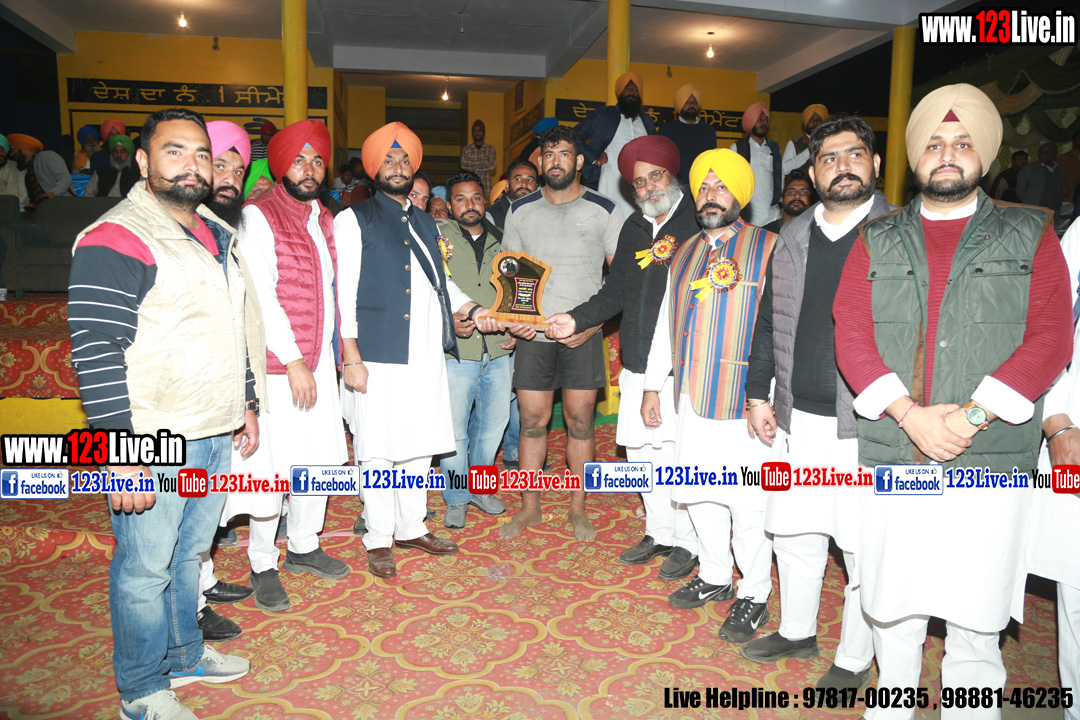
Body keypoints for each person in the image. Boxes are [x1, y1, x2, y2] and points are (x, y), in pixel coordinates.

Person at [833, 83, 1072, 720]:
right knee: (893, 608)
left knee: (976, 616)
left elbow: (1051, 338)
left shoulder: (1031, 232)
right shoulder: (876, 237)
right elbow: (851, 334)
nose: (947, 154)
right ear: (915, 157)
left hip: (990, 458)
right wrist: (910, 416)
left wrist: (970, 417)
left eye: (962, 143)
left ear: (984, 156)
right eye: (934, 143)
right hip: (896, 452)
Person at [67, 107, 254, 720]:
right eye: (175, 151)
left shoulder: (215, 232)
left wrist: (246, 402)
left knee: (188, 555)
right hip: (151, 439)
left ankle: (184, 655)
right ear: (144, 161)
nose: (192, 165)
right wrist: (118, 457)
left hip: (211, 429)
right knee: (145, 569)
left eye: (202, 154)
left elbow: (230, 327)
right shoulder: (117, 236)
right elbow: (96, 350)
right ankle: (143, 689)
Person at [743, 115, 891, 690]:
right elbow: (768, 319)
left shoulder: (899, 232)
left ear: (875, 164)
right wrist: (758, 395)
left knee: (861, 547)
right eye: (829, 158)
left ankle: (854, 659)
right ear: (813, 170)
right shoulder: (793, 235)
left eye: (854, 154)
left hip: (869, 425)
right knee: (793, 531)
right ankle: (797, 630)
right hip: (794, 417)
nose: (842, 167)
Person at [337, 122, 488, 578]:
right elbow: (343, 292)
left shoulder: (425, 221)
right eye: (389, 159)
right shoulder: (354, 218)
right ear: (373, 168)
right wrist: (351, 356)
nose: (398, 167)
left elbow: (441, 282)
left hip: (425, 352)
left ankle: (411, 526)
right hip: (377, 353)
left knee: (419, 445)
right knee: (378, 448)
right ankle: (378, 536)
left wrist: (474, 308)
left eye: (405, 159)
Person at [546, 135, 700, 580]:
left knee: (678, 457)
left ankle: (689, 542)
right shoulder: (634, 226)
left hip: (681, 367)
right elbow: (615, 292)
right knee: (641, 453)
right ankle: (660, 531)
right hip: (637, 359)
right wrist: (575, 319)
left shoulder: (696, 222)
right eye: (640, 183)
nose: (649, 188)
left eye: (656, 177)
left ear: (672, 176)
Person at [217, 118, 352, 612]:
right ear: (279, 166)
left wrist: (333, 359)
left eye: (317, 160)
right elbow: (262, 297)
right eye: (299, 160)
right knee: (270, 468)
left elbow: (335, 293)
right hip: (279, 366)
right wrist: (293, 360)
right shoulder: (258, 215)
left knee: (314, 459)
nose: (309, 168)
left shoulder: (325, 217)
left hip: (320, 363)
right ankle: (262, 562)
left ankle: (304, 545)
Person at [642, 148, 777, 642]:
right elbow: (666, 324)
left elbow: (782, 328)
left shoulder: (769, 247)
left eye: (721, 187)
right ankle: (717, 574)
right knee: (699, 495)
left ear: (740, 195)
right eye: (703, 187)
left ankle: (755, 593)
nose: (710, 195)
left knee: (750, 503)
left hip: (748, 403)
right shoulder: (684, 252)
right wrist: (653, 385)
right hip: (692, 398)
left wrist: (770, 396)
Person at [497, 125, 621, 542]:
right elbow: (510, 272)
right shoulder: (520, 210)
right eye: (548, 154)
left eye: (564, 154)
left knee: (580, 423)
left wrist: (594, 325)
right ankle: (529, 507)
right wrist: (513, 319)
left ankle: (578, 508)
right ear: (540, 161)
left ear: (579, 161)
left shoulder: (604, 209)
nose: (555, 161)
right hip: (533, 337)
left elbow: (620, 279)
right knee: (532, 422)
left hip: (582, 335)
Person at [438, 170, 513, 528]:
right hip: (457, 351)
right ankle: (456, 497)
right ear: (450, 205)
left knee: (493, 426)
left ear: (485, 201)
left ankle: (481, 490)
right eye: (460, 199)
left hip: (499, 350)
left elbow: (517, 292)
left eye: (476, 198)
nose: (469, 205)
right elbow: (433, 288)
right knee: (454, 431)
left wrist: (516, 327)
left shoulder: (505, 239)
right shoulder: (438, 237)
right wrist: (448, 321)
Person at [1031, 218, 1080, 720]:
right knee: (1077, 589)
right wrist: (1057, 421)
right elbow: (1050, 327)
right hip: (1074, 438)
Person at [576, 71, 656, 217]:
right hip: (609, 182)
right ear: (619, 92)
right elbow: (574, 135)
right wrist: (593, 157)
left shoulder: (647, 121)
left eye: (635, 89)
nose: (631, 93)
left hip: (641, 183)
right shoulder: (603, 115)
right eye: (627, 88)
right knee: (609, 219)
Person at [731, 102, 781, 227]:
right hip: (748, 213)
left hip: (772, 213)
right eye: (760, 119)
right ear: (751, 122)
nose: (764, 123)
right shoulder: (737, 147)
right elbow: (731, 180)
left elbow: (780, 175)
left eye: (766, 120)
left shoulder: (774, 147)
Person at [658, 83, 716, 186]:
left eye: (695, 101)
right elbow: (661, 162)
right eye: (687, 101)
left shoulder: (709, 130)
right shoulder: (666, 130)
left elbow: (713, 162)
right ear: (680, 104)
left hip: (702, 186)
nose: (692, 105)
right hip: (675, 188)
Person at [7, 133, 73, 207]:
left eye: (13, 149)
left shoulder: (47, 156)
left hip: (65, 206)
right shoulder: (28, 171)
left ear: (24, 147)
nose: (11, 154)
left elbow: (65, 179)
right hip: (45, 210)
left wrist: (54, 193)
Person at [1017, 141, 1066, 220]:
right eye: (1041, 153)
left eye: (1047, 152)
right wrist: (1029, 204)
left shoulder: (1060, 168)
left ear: (1055, 153)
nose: (1043, 155)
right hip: (1034, 212)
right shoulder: (1029, 168)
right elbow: (1020, 190)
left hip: (1053, 212)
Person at [487, 159, 538, 231]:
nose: (524, 184)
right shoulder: (491, 216)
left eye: (529, 180)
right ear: (507, 185)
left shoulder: (544, 213)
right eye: (518, 179)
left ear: (536, 187)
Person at [781, 104, 828, 178]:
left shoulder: (829, 142)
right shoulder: (794, 142)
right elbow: (785, 169)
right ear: (805, 123)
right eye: (811, 120)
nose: (815, 123)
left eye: (819, 120)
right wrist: (809, 151)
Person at [460, 119, 497, 198]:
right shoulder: (467, 149)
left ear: (483, 132)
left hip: (486, 190)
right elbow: (463, 165)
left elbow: (492, 166)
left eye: (479, 130)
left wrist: (472, 164)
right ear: (472, 133)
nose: (477, 133)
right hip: (470, 190)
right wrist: (484, 162)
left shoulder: (490, 149)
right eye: (474, 131)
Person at [0, 134, 30, 211]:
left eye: (2, 150)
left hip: (16, 212)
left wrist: (7, 209)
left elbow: (23, 196)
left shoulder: (18, 167)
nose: (0, 154)